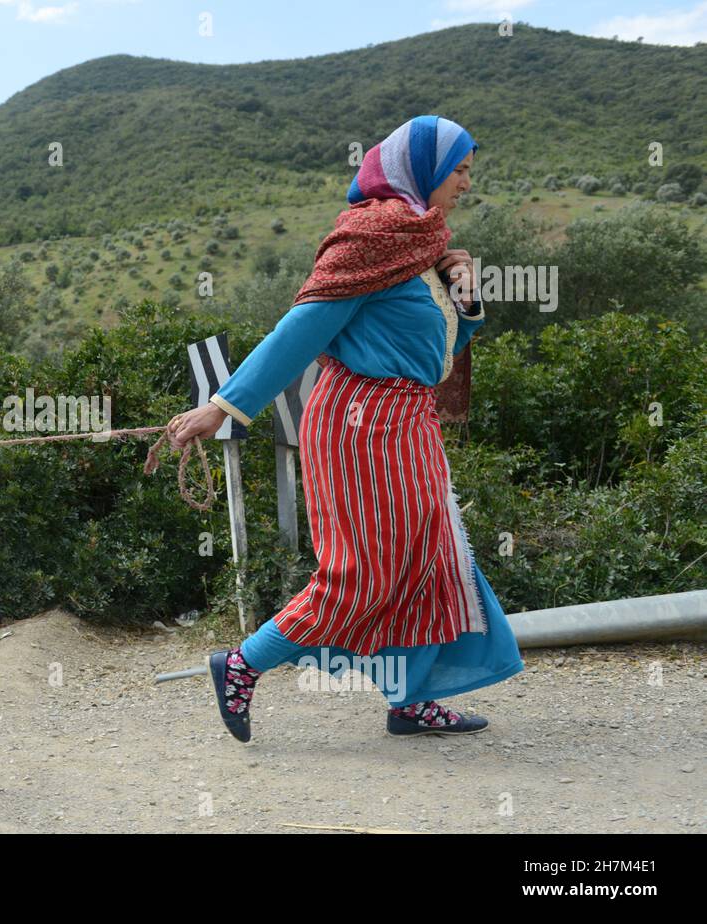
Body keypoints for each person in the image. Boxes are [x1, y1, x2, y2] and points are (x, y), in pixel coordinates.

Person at [167, 115, 524, 741]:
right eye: (460, 171)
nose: (467, 184)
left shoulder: (424, 237)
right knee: (361, 571)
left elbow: (434, 345)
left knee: (429, 559)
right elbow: (297, 333)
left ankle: (409, 700)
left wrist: (465, 299)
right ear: (426, 170)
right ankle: (242, 665)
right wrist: (221, 408)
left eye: (469, 171)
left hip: (407, 418)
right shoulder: (372, 235)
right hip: (361, 422)